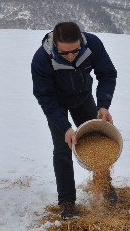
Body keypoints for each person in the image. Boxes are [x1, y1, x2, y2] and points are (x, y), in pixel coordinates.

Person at [31, 22, 118, 220]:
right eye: (65, 53)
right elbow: (45, 97)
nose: (71, 56)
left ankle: (103, 184)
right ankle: (67, 202)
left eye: (75, 51)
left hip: (82, 96)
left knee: (96, 139)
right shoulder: (42, 59)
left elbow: (107, 74)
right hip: (57, 102)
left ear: (81, 42)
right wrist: (65, 127)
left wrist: (103, 105)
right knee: (63, 148)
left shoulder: (93, 44)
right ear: (55, 45)